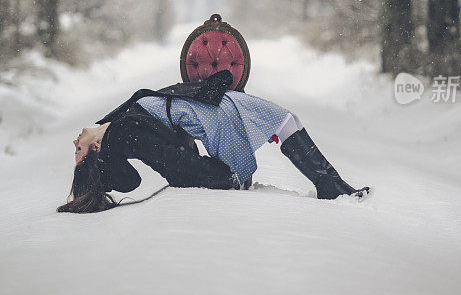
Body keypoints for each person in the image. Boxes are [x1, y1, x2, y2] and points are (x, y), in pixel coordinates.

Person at [58, 70, 370, 214]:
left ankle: (330, 184)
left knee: (287, 119)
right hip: (214, 119)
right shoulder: (125, 136)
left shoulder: (112, 125)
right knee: (282, 123)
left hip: (208, 104)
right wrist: (220, 175)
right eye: (78, 150)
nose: (75, 142)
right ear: (96, 149)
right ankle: (330, 187)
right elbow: (172, 161)